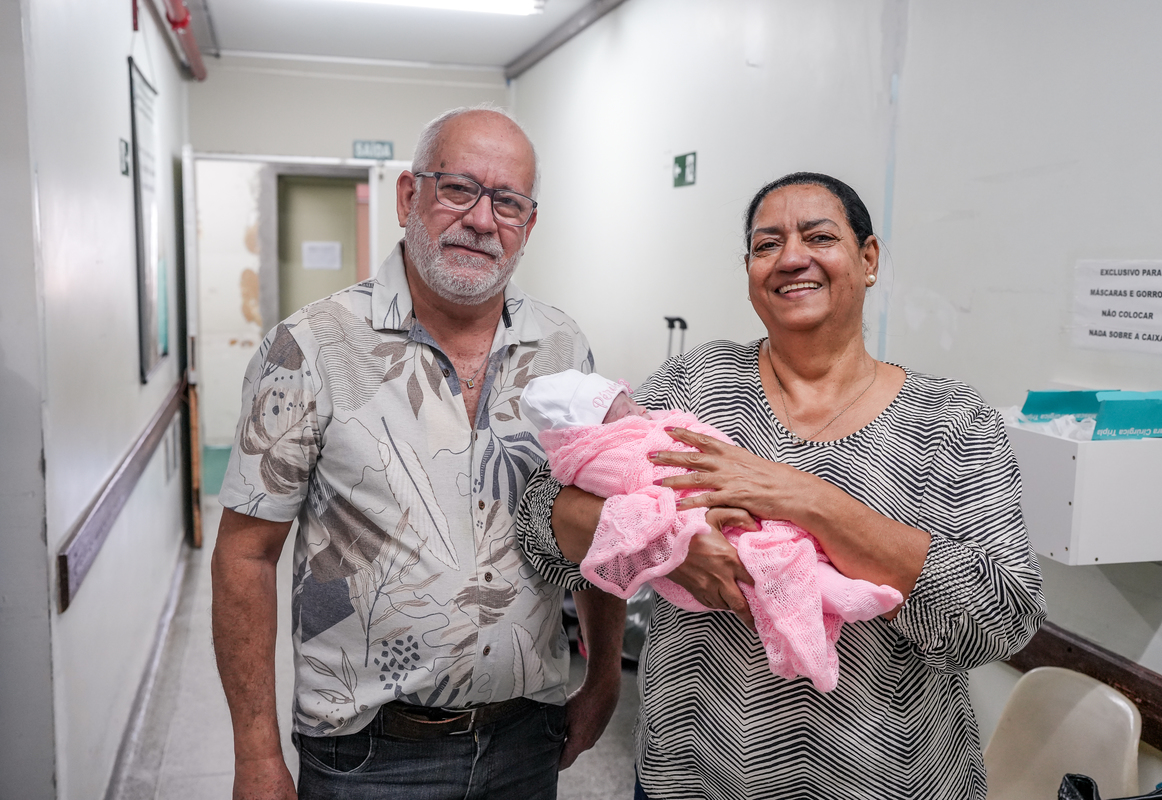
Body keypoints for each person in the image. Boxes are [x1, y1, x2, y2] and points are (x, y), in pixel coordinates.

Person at [517, 172, 1047, 799]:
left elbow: (1003, 618)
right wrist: (669, 547)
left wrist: (806, 499)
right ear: (749, 272)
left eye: (819, 237)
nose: (792, 258)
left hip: (884, 780)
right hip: (691, 776)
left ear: (868, 259)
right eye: (767, 245)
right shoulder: (697, 383)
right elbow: (542, 519)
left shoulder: (950, 420)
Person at [211, 106, 626, 800]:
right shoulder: (310, 348)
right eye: (458, 188)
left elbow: (597, 524)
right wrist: (255, 754)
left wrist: (605, 675)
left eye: (508, 202)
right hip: (370, 756)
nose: (482, 219)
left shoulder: (562, 349)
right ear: (409, 196)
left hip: (527, 741)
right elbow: (245, 555)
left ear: (528, 225)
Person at [519, 369, 902, 690]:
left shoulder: (938, 418)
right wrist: (670, 543)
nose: (641, 411)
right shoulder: (687, 377)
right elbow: (537, 513)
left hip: (866, 748)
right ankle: (821, 618)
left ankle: (836, 598)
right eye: (626, 411)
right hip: (684, 727)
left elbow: (950, 613)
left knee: (785, 547)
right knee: (764, 565)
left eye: (632, 404)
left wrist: (800, 496)